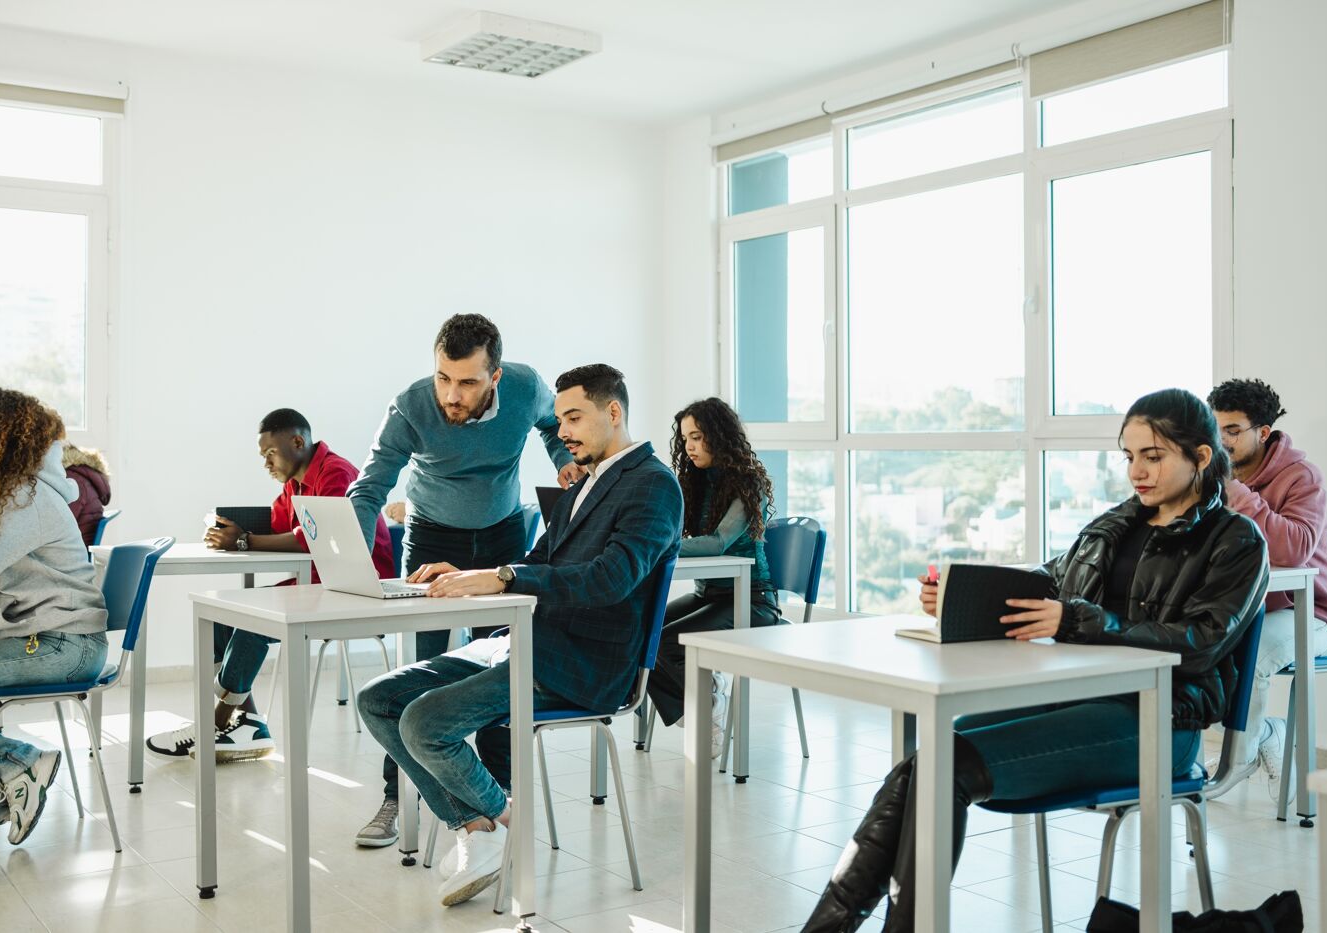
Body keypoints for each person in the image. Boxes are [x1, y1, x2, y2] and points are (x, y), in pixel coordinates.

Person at [798, 388, 1268, 932]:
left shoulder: (1236, 541)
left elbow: (1202, 640)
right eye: (1130, 456)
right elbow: (1048, 582)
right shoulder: (1117, 524)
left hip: (1160, 723)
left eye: (1154, 456)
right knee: (923, 766)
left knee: (941, 769)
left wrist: (1077, 621)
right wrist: (958, 595)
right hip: (1074, 702)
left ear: (1201, 457)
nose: (1137, 471)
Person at [356, 363, 681, 907]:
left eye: (575, 418)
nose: (564, 432)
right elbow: (537, 562)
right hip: (528, 645)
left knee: (423, 722)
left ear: (614, 412)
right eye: (559, 420)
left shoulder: (652, 485)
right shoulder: (586, 483)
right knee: (378, 699)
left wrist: (501, 576)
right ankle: (484, 826)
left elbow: (611, 579)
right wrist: (463, 577)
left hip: (582, 665)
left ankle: (500, 823)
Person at [346, 314, 580, 848]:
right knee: (414, 675)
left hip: (502, 539)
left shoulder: (526, 388)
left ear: (495, 376)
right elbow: (369, 489)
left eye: (468, 382)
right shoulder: (411, 405)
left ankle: (497, 793)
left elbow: (554, 425)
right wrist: (357, 564)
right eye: (443, 378)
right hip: (432, 543)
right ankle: (397, 796)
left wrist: (564, 459)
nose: (451, 394)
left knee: (500, 665)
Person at [146, 408, 394, 763]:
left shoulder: (336, 474)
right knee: (221, 617)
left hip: (356, 587)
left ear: (297, 442)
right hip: (321, 581)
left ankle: (212, 723)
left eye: (270, 454)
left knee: (255, 616)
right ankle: (247, 727)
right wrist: (229, 527)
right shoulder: (294, 483)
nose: (265, 463)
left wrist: (245, 540)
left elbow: (315, 537)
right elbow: (277, 524)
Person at [0, 388, 109, 853]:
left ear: (2, 436)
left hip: (63, 645)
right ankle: (2, 780)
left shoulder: (21, 495)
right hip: (38, 635)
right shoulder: (1, 489)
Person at [1206, 378, 1327, 798]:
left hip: (1309, 612)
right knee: (1187, 645)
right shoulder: (1210, 480)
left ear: (1263, 432)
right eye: (1215, 428)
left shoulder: (1302, 478)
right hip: (1246, 607)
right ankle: (1262, 736)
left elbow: (1294, 549)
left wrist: (1237, 494)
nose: (1221, 441)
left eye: (1233, 430)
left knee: (1253, 654)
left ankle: (1237, 761)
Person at [644, 397, 781, 755]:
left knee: (665, 642)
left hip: (752, 600)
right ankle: (705, 700)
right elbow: (676, 530)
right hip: (710, 597)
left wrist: (660, 544)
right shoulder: (697, 480)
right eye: (685, 438)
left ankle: (706, 704)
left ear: (720, 438)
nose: (688, 446)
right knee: (642, 632)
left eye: (697, 437)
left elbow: (719, 543)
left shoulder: (748, 483)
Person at [62, 443, 111, 549]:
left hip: (74, 551)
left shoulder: (75, 481)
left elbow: (62, 523)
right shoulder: (84, 479)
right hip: (81, 546)